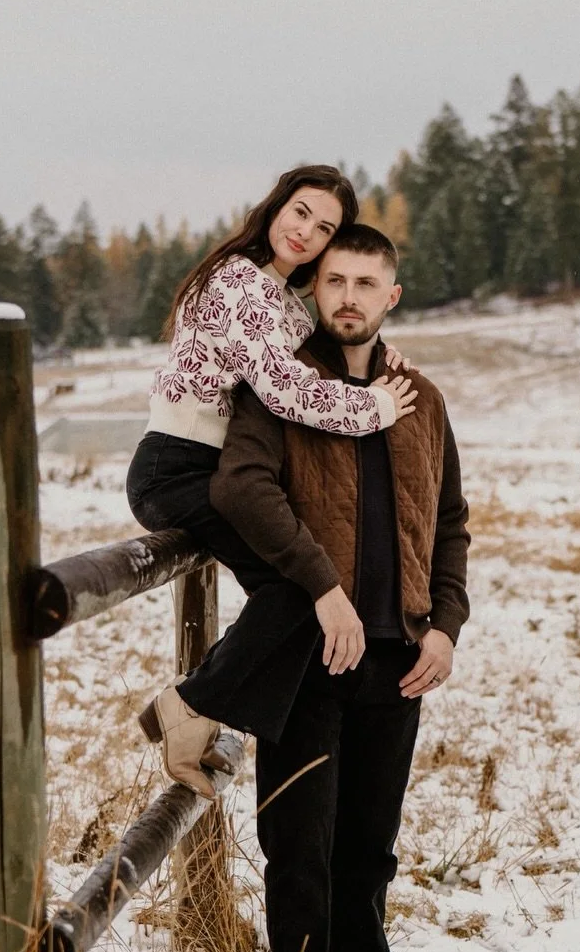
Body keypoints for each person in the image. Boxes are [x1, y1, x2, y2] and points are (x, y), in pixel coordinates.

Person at [208, 223, 469, 952]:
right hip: (311, 656)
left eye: (367, 282)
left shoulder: (423, 401)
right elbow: (240, 486)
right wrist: (321, 588)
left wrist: (445, 628)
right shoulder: (283, 387)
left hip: (399, 659)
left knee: (368, 849)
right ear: (313, 292)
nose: (350, 296)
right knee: (300, 844)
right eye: (335, 281)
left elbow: (451, 526)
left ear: (392, 296)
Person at [126, 168, 418, 791]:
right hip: (177, 467)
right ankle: (190, 708)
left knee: (291, 594)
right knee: (296, 590)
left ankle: (202, 716)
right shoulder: (239, 283)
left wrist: (385, 363)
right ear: (276, 207)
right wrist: (376, 409)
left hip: (212, 466)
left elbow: (326, 354)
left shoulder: (284, 302)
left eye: (324, 228)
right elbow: (288, 392)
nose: (306, 232)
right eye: (301, 212)